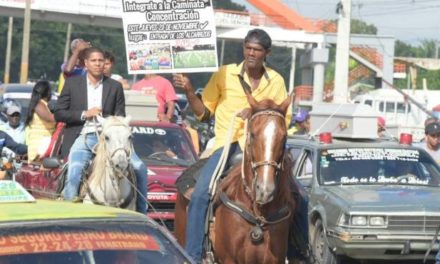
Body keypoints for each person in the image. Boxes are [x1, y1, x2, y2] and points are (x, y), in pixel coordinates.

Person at [173, 29, 304, 263]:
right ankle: (193, 255)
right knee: (201, 193)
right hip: (228, 144)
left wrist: (257, 113)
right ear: (244, 48)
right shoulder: (225, 73)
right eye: (248, 48)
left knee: (298, 195)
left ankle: (300, 254)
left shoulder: (276, 80)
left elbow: (282, 118)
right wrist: (190, 90)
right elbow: (204, 114)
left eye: (257, 50)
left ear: (267, 53)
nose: (251, 53)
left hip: (265, 148)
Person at [54, 47, 147, 214]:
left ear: (105, 63)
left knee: (139, 167)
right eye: (94, 61)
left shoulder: (115, 86)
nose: (98, 64)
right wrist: (85, 114)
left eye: (101, 60)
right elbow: (59, 113)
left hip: (112, 137)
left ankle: (142, 214)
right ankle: (67, 212)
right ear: (85, 64)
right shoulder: (72, 84)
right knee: (74, 168)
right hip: (84, 136)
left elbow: (120, 115)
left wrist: (112, 123)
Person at [25, 80, 56, 162]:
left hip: (43, 144)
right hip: (39, 147)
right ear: (47, 92)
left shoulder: (43, 104)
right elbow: (50, 118)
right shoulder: (39, 104)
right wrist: (66, 116)